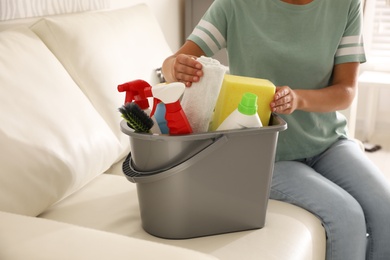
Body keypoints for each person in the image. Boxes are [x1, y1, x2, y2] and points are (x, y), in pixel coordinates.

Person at [161, 0, 390, 259]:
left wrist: (299, 99)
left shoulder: (345, 5)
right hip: (266, 152)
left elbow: (346, 91)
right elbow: (174, 64)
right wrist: (174, 67)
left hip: (328, 143)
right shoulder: (235, 4)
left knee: (386, 208)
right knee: (346, 215)